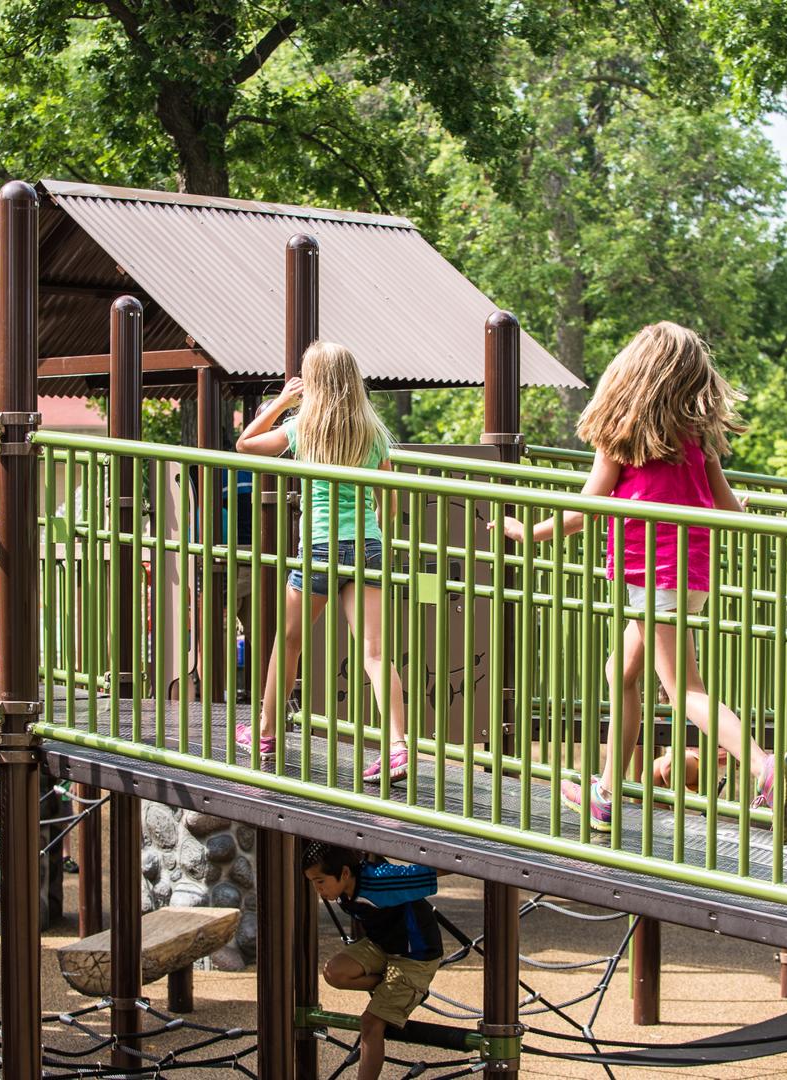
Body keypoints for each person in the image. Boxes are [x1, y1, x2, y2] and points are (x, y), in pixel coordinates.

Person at [497, 322, 787, 844]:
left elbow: (588, 508)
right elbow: (727, 503)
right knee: (621, 672)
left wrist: (530, 532)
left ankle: (762, 765)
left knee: (684, 691)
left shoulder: (623, 428)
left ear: (632, 372)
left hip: (654, 576)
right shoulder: (695, 434)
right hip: (693, 572)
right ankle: (608, 791)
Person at [235, 342, 412, 784]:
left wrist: (280, 401)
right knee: (374, 651)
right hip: (366, 548)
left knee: (289, 642)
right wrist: (371, 522)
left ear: (311, 382)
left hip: (318, 548)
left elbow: (245, 445)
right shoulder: (372, 433)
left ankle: (267, 734)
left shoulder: (304, 428)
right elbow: (388, 502)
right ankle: (397, 747)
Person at [303, 844, 446, 1080]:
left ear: (345, 873)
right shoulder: (343, 886)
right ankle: (400, 989)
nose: (317, 889)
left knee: (370, 1024)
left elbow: (431, 870)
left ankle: (408, 987)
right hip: (382, 946)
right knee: (334, 972)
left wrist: (480, 860)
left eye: (320, 881)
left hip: (415, 955)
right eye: (312, 882)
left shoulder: (379, 881)